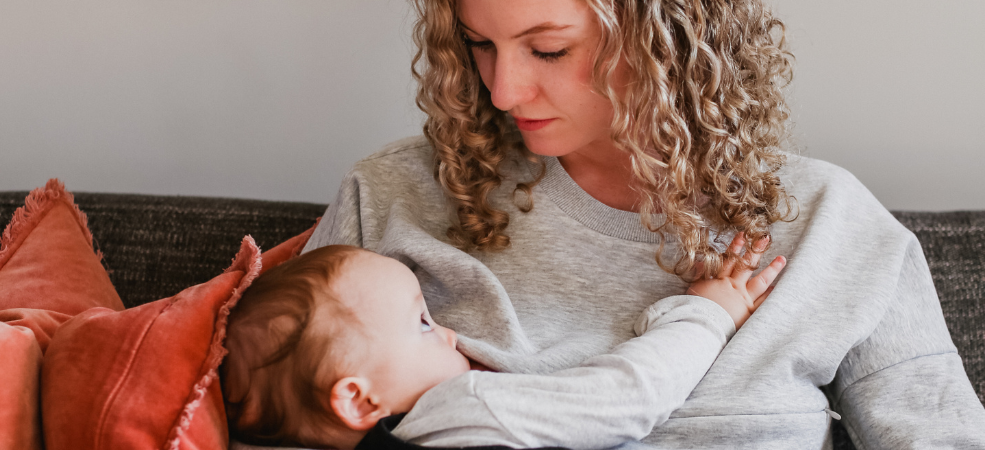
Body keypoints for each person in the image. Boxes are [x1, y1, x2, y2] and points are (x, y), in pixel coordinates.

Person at [305, 0, 985, 448]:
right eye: (479, 43)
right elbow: (274, 415)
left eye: (548, 50)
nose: (503, 89)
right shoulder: (396, 194)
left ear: (668, 40)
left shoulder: (827, 219)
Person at [222, 237, 784, 450]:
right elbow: (629, 395)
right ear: (358, 399)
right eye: (423, 323)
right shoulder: (462, 409)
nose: (450, 333)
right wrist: (707, 314)